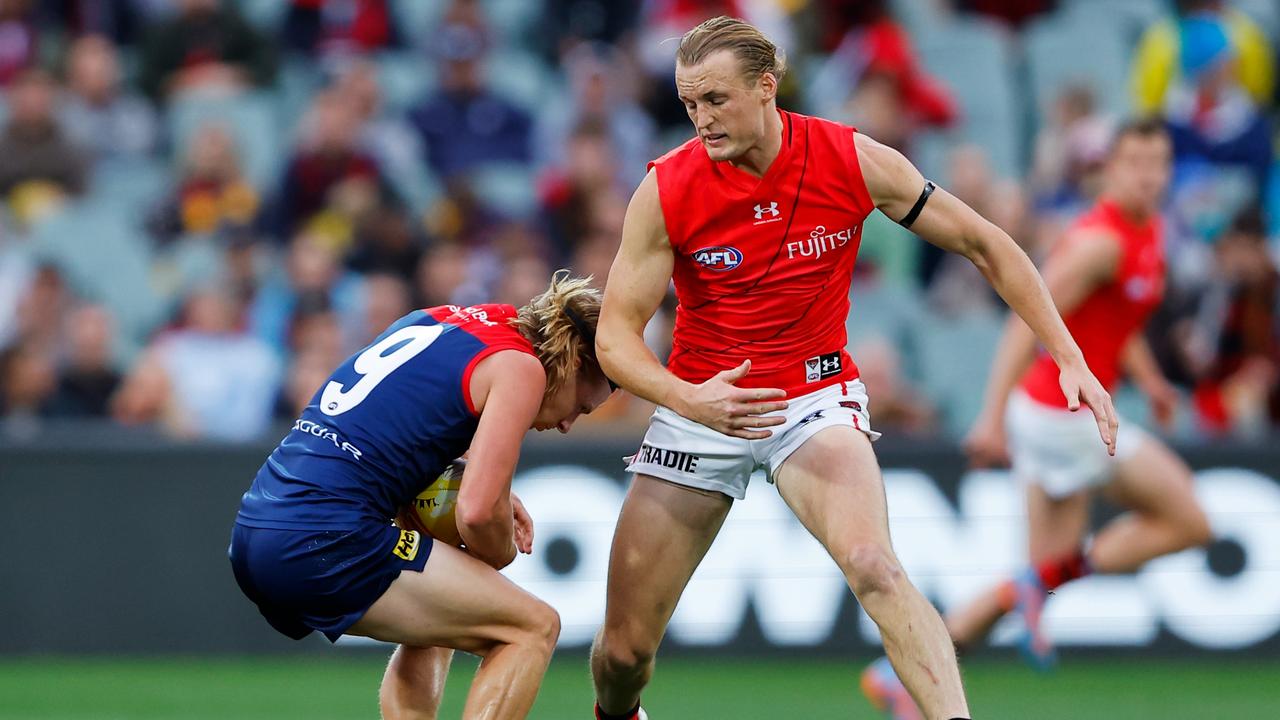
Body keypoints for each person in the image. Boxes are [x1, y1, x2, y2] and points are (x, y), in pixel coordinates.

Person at [589, 17, 1118, 720]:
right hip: (702, 403)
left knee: (875, 566)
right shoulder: (668, 189)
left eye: (715, 99)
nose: (701, 119)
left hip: (813, 396)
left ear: (766, 87)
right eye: (689, 103)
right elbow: (615, 340)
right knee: (623, 655)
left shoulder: (851, 158)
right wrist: (689, 398)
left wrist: (1068, 355)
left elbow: (985, 243)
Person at [861, 120, 1214, 720]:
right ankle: (1019, 594)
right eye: (1135, 163)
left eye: (1159, 163)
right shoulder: (1098, 242)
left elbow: (1111, 315)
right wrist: (990, 419)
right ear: (1109, 169)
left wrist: (1150, 380)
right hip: (1060, 417)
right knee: (1189, 520)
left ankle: (903, 679)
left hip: (1062, 415)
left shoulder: (1145, 229)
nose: (1149, 176)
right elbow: (1028, 318)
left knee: (1041, 573)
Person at [229, 272, 615, 719]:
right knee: (532, 627)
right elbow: (475, 514)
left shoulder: (441, 321)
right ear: (571, 362)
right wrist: (499, 547)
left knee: (444, 603)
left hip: (259, 526)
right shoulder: (522, 367)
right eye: (581, 407)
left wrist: (472, 484)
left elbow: (392, 428)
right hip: (324, 535)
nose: (569, 424)